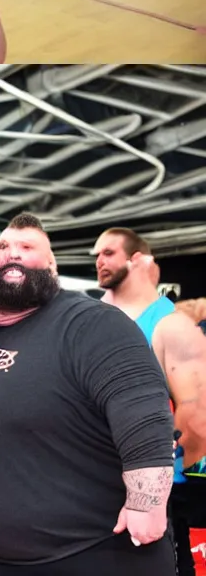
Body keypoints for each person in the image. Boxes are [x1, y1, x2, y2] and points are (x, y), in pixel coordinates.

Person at [0, 214, 175, 575]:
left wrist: (147, 501)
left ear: (52, 265)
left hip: (97, 554)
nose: (12, 253)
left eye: (27, 246)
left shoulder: (91, 322)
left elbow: (142, 407)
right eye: (3, 246)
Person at [93, 226, 206, 576]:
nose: (99, 260)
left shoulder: (170, 327)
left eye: (108, 252)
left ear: (137, 259)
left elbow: (197, 416)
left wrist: (170, 496)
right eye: (96, 254)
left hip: (157, 496)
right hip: (95, 486)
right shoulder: (88, 319)